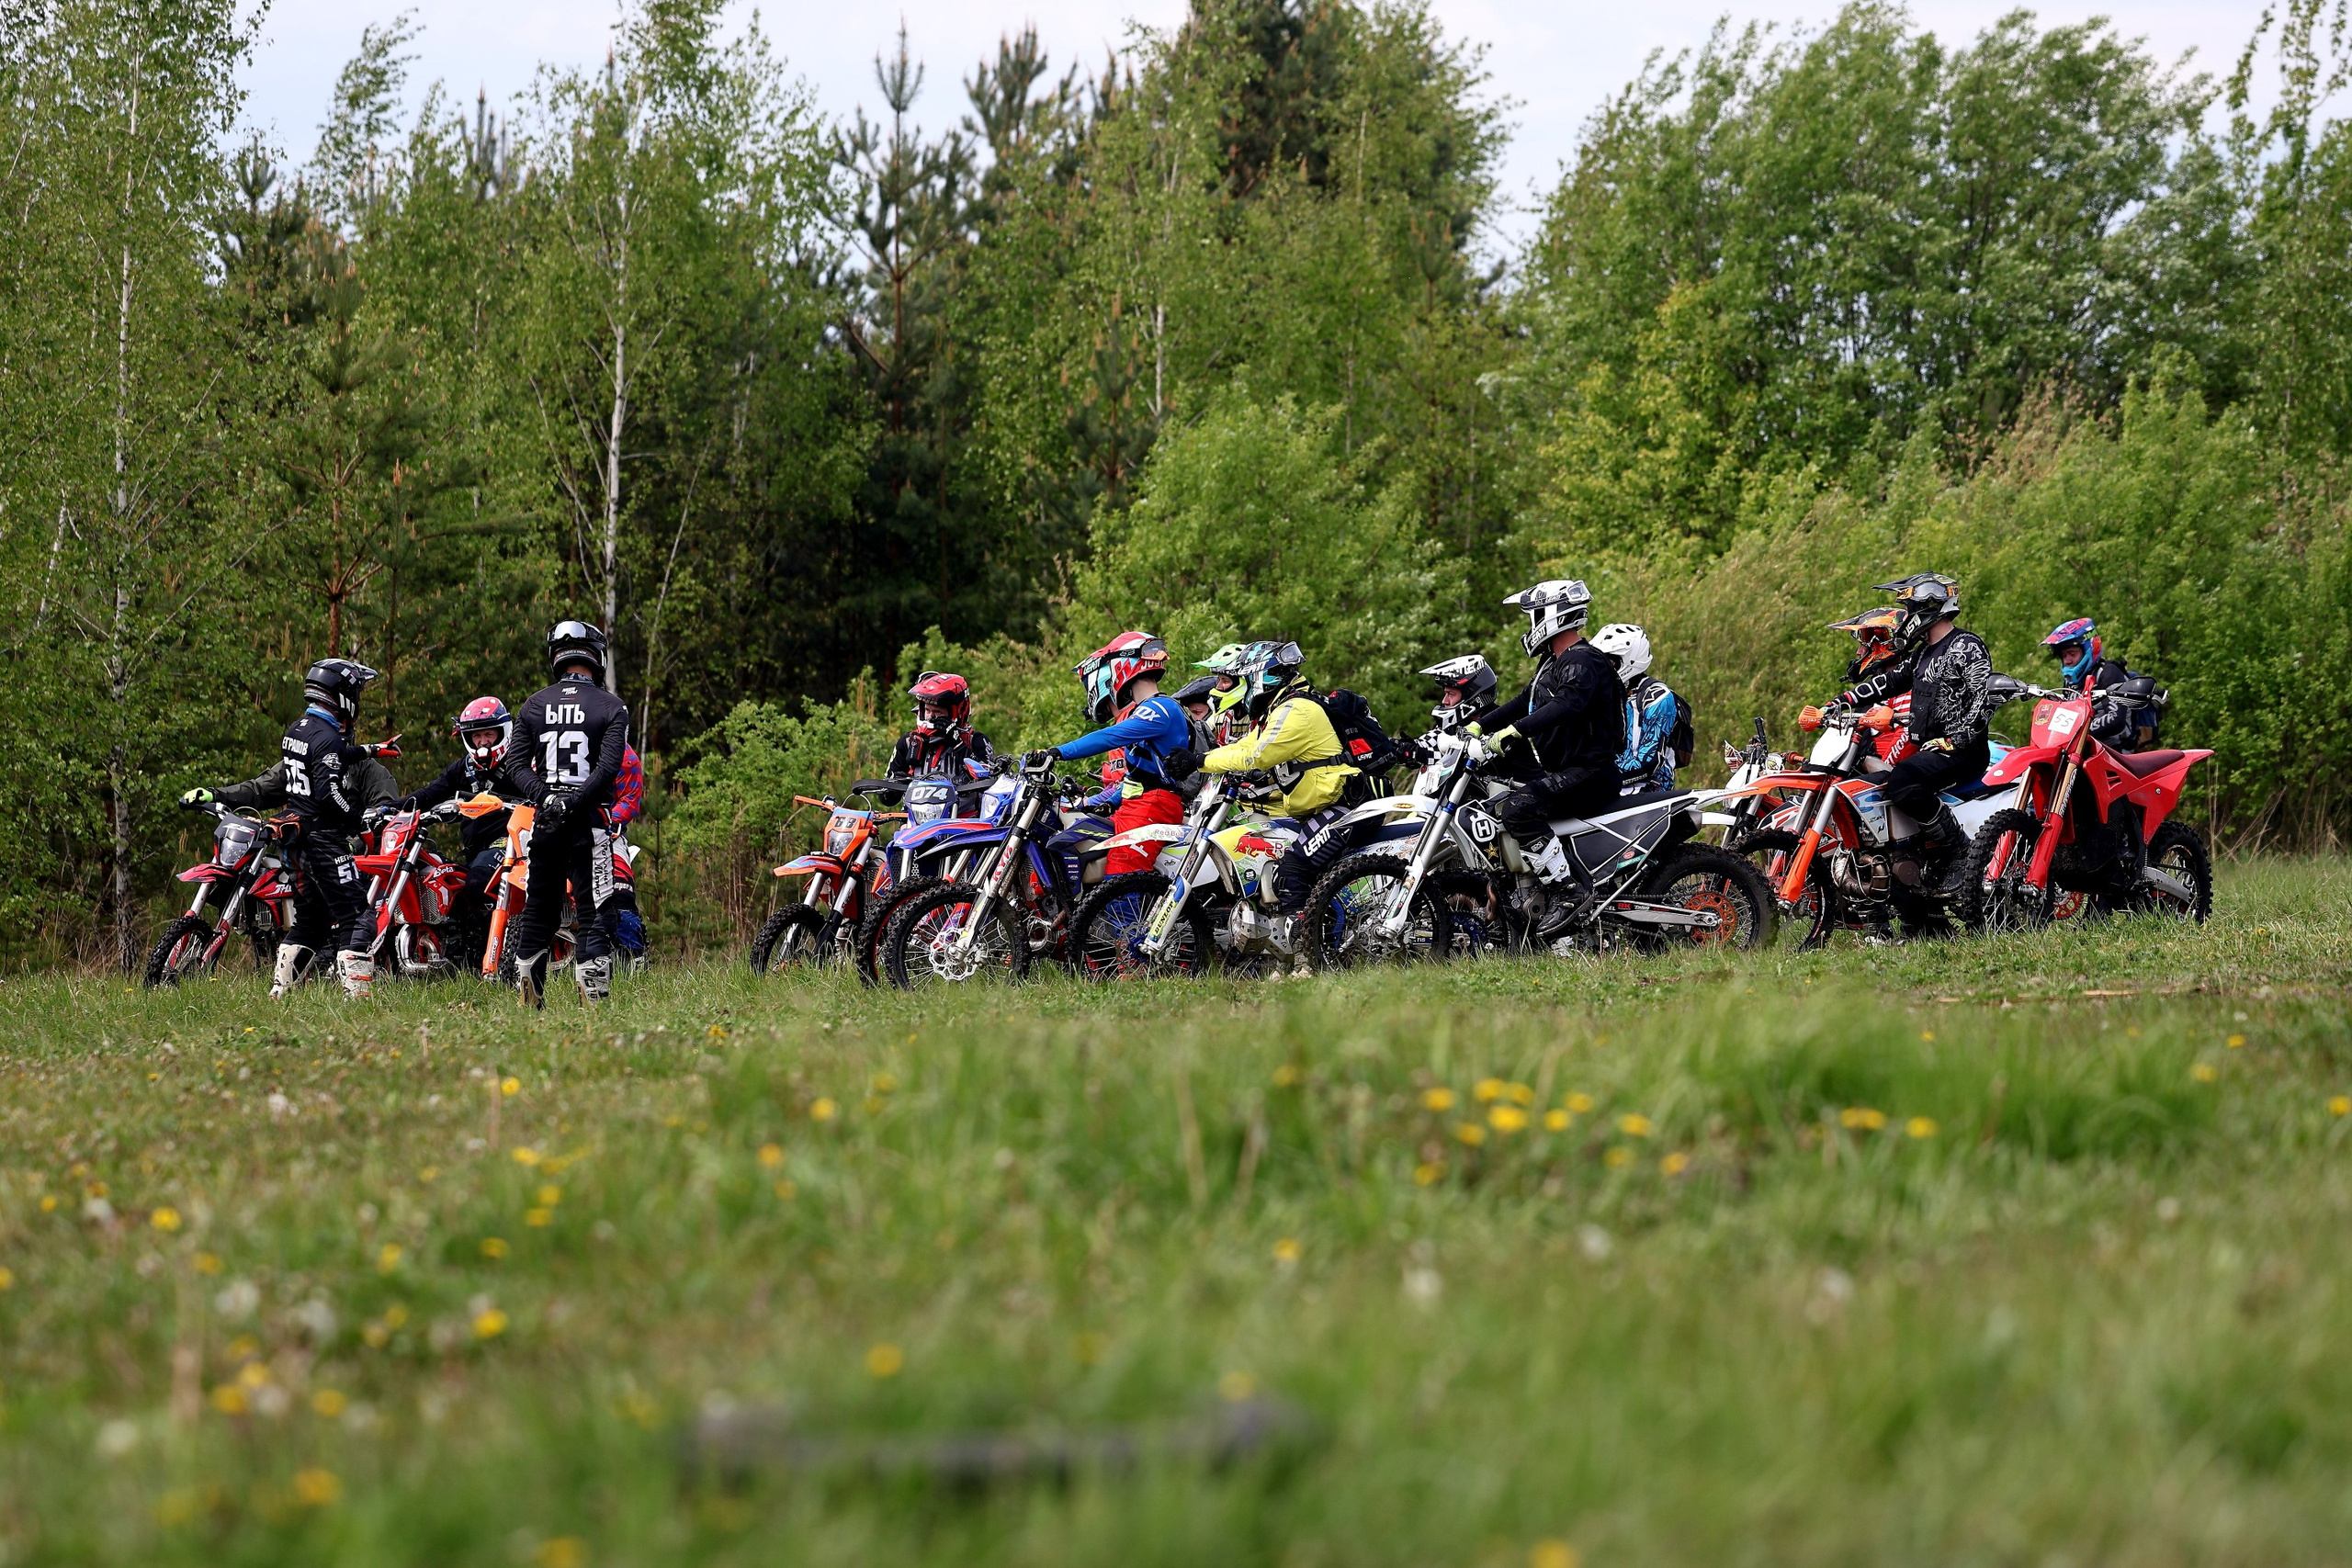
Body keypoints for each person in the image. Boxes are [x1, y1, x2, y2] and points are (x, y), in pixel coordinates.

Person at [183, 681, 401, 996]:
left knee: (313, 921)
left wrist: (361, 835)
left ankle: (281, 993)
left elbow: (387, 812)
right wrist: (217, 795)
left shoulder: (367, 770)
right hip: (326, 849)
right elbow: (261, 789)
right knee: (350, 919)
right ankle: (356, 999)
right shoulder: (310, 754)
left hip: (351, 858)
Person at [1473, 581, 1627, 937]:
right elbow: (1521, 702)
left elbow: (1568, 703)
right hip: (1570, 771)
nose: (1530, 627)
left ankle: (1569, 891)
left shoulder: (1583, 660)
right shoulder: (1553, 662)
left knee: (1517, 809)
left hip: (1591, 772)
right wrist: (1476, 726)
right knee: (1498, 806)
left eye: (1533, 617)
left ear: (1551, 615)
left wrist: (1515, 732)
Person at [493, 620, 632, 1007]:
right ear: (597, 657)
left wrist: (547, 797)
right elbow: (609, 767)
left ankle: (529, 1000)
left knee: (538, 912)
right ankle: (593, 1005)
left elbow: (514, 765)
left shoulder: (533, 704)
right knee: (594, 913)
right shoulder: (612, 706)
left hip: (546, 821)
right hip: (590, 821)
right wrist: (575, 801)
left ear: (556, 657)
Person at [1838, 573, 1995, 894]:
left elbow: (1986, 697)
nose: (1905, 616)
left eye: (1909, 608)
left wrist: (1956, 739)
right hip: (1933, 750)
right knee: (1878, 785)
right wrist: (1843, 701)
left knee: (1902, 780)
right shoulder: (1923, 653)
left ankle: (1960, 850)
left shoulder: (1966, 645)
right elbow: (1890, 681)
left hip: (1963, 751)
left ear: (1928, 606)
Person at [1189, 640, 1359, 933]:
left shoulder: (1297, 709)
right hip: (1318, 808)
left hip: (1341, 806)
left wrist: (1199, 761)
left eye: (1246, 678)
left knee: (1292, 870)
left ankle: (1308, 948)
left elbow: (1256, 756)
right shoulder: (1280, 708)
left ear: (1260, 677)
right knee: (1282, 864)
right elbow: (1245, 745)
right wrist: (1198, 759)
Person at [1026, 633, 1190, 876]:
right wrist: (1107, 804)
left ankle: (1128, 904)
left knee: (1121, 873)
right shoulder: (1146, 710)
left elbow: (1109, 737)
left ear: (1121, 666)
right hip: (1136, 805)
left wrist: (1057, 752)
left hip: (1153, 806)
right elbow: (1136, 778)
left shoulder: (1161, 708)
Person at [397, 697, 519, 959]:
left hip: (511, 844)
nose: (483, 742)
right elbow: (428, 794)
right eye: (477, 736)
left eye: (489, 735)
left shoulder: (520, 763)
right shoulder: (463, 768)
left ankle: (499, 951)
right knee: (443, 883)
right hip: (474, 849)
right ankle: (459, 953)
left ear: (503, 732)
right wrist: (389, 808)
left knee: (478, 883)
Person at [1590, 624, 1684, 795]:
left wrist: (1595, 778)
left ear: (1630, 660)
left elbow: (1650, 762)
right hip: (1608, 788)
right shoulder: (1603, 694)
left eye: (1608, 662)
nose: (1601, 668)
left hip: (1648, 792)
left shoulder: (1657, 697)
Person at [2042, 617, 2142, 750]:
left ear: (2088, 649)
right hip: (2082, 750)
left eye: (2072, 654)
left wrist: (2076, 731)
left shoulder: (2109, 673)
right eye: (2064, 656)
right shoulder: (2071, 683)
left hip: (2115, 752)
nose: (2067, 661)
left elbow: (2115, 720)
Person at [888, 671, 999, 781]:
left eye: (938, 712)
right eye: (927, 710)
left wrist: (959, 745)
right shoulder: (908, 742)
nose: (931, 716)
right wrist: (899, 782)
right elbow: (886, 789)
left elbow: (990, 780)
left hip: (960, 793)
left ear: (957, 712)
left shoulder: (976, 741)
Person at [1419, 655, 1497, 741]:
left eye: (1451, 694)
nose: (1445, 701)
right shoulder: (1451, 727)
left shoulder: (1501, 726)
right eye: (1446, 694)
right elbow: (1424, 743)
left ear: (1472, 698)